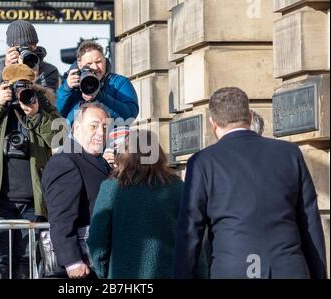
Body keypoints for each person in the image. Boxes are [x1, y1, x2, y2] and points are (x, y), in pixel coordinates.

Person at [174, 87, 327, 279]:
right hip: (289, 269)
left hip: (232, 270)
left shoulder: (203, 162)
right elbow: (309, 222)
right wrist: (319, 274)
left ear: (213, 123)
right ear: (250, 116)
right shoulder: (289, 153)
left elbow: (190, 229)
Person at [0, 63, 61, 279]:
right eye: (15, 86)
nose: (20, 91)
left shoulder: (41, 105)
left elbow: (61, 137)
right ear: (4, 85)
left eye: (25, 86)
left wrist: (36, 115)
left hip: (34, 201)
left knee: (28, 261)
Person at [87, 130, 185, 279]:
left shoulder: (111, 188)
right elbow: (191, 237)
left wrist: (104, 272)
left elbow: (97, 238)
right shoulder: (178, 187)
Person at [41, 103, 111, 279]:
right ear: (77, 128)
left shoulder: (96, 161)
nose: (101, 133)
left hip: (98, 261)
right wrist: (72, 261)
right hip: (80, 267)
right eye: (93, 126)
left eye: (105, 127)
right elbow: (60, 218)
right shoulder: (65, 162)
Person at [56, 41, 139, 125]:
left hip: (108, 135)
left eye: (98, 62)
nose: (95, 67)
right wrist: (66, 88)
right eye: (89, 64)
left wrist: (100, 97)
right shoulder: (72, 84)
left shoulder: (119, 82)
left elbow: (130, 116)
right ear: (79, 65)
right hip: (76, 135)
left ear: (105, 60)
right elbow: (56, 114)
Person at [0, 20, 60, 94]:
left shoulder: (49, 70)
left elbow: (49, 102)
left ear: (35, 45)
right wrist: (5, 68)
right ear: (11, 47)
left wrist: (33, 77)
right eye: (20, 48)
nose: (25, 51)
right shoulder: (3, 66)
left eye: (29, 47)